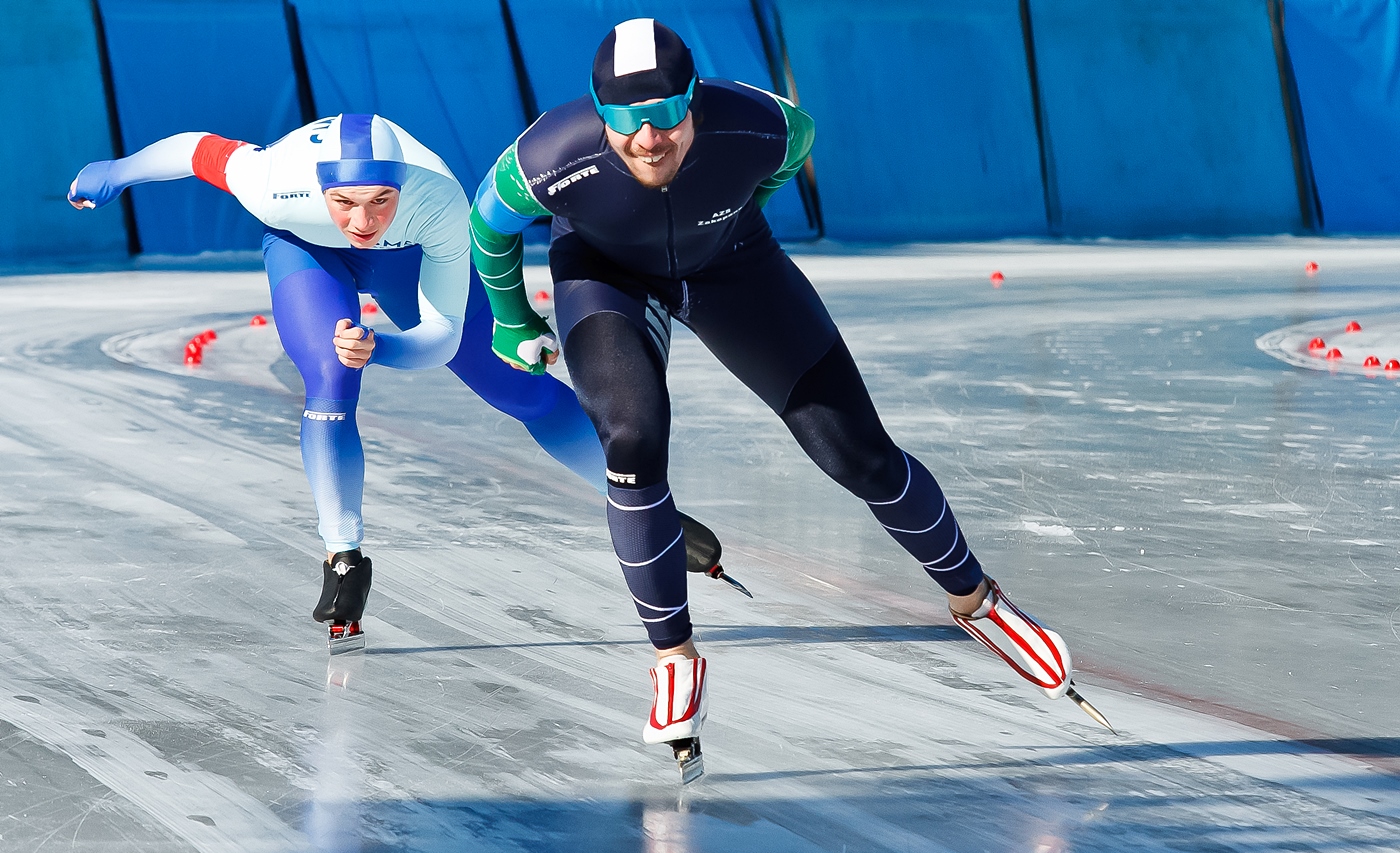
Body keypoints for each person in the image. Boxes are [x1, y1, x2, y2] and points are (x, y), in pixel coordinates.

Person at [470, 19, 1111, 779]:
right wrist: (513, 319)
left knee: (858, 453)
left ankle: (979, 601)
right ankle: (675, 658)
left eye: (666, 116)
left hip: (732, 263)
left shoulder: (760, 125)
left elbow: (791, 154)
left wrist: (732, 210)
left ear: (694, 101)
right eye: (623, 121)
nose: (647, 139)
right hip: (607, 277)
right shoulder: (549, 158)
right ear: (598, 114)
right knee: (633, 440)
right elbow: (488, 226)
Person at [68, 112, 738, 653]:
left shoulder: (438, 202)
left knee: (517, 388)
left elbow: (443, 338)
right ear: (319, 187)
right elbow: (195, 149)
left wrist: (382, 346)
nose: (361, 222)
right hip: (301, 247)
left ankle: (643, 509)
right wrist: (118, 172)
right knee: (331, 381)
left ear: (401, 189)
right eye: (345, 202)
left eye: (379, 200)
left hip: (410, 257)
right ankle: (344, 557)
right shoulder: (271, 178)